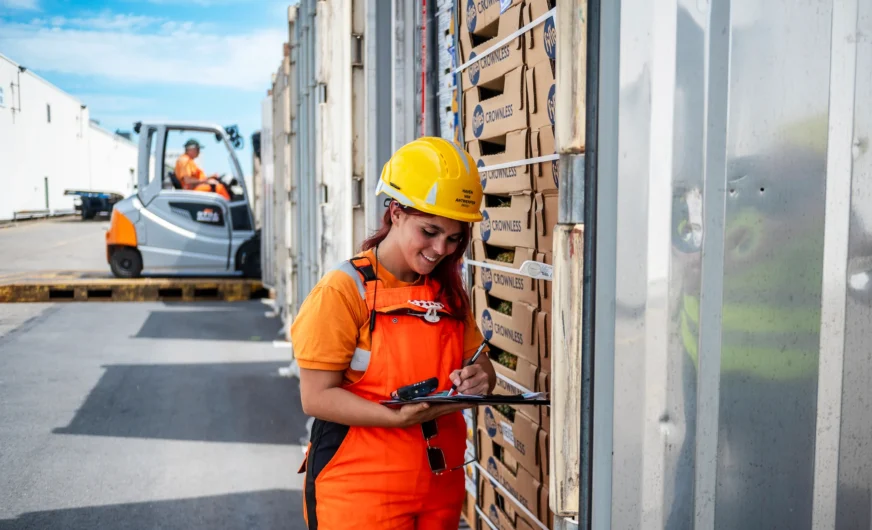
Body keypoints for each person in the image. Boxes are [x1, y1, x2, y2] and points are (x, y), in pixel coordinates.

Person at [291, 137, 496, 529]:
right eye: (430, 231)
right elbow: (315, 397)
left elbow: (479, 364)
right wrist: (397, 419)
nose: (441, 249)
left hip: (441, 487)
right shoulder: (343, 290)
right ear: (396, 212)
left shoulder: (448, 292)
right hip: (359, 493)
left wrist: (482, 376)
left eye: (455, 238)